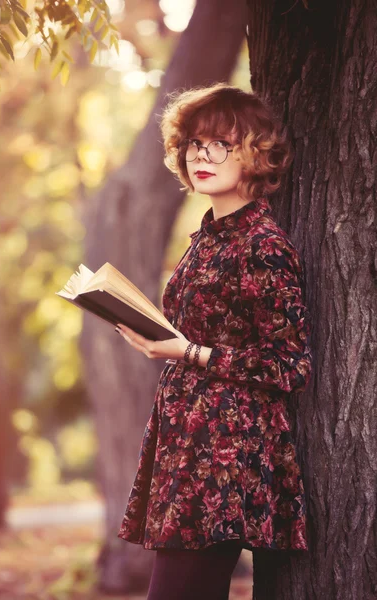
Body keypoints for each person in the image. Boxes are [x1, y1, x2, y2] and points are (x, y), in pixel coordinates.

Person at [115, 82, 313, 600]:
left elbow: (290, 365)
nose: (202, 155)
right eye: (194, 145)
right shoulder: (209, 237)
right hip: (188, 444)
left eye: (220, 143)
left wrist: (186, 351)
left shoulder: (263, 244)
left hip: (224, 454)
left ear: (254, 153)